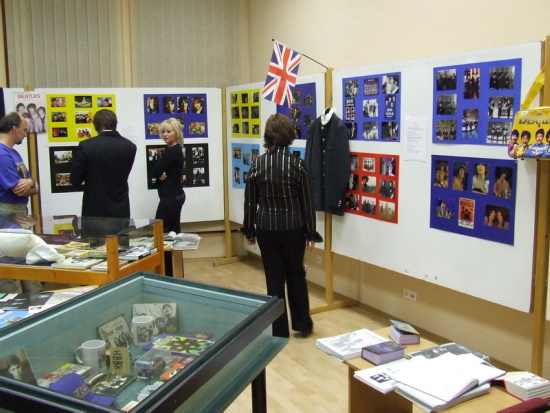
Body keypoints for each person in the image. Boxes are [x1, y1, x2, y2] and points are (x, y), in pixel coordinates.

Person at [241, 114, 321, 338]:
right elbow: (307, 203)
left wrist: (249, 230)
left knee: (273, 278)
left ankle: (278, 330)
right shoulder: (297, 165)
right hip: (293, 228)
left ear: (267, 135)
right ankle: (302, 324)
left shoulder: (257, 164)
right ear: (289, 135)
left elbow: (250, 202)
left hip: (266, 227)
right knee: (296, 274)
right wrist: (311, 233)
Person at [70, 109, 137, 237]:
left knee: (94, 246)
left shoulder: (86, 145)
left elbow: (75, 180)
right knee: (120, 246)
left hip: (94, 208)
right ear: (115, 123)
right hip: (120, 207)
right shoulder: (130, 146)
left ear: (95, 125)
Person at [0, 112, 42, 293]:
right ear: (14, 128)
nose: (26, 134)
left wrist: (31, 182)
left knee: (26, 257)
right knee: (8, 260)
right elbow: (18, 189)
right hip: (7, 213)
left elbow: (33, 185)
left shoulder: (13, 153)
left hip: (18, 211)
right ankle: (12, 302)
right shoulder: (2, 155)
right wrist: (31, 184)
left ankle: (34, 299)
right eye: (24, 130)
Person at [151, 118, 185, 234]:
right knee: (173, 231)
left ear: (176, 133)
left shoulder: (171, 152)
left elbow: (154, 171)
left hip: (171, 197)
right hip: (176, 195)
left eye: (169, 131)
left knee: (160, 230)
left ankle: (165, 248)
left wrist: (159, 173)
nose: (165, 134)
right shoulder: (176, 149)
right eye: (163, 132)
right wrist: (160, 174)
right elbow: (158, 171)